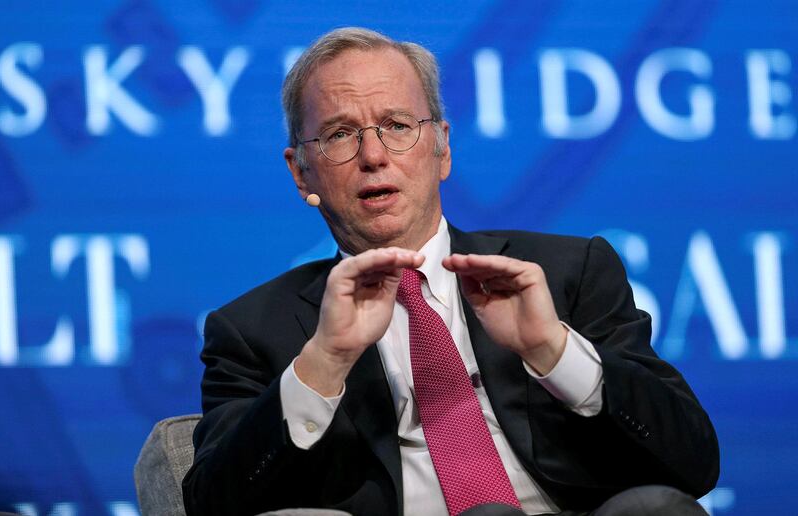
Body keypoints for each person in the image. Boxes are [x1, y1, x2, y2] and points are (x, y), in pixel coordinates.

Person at [182, 27, 719, 516]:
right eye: (341, 134)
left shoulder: (565, 273)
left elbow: (692, 465)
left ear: (442, 149)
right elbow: (211, 502)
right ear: (301, 173)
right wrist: (324, 362)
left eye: (396, 125)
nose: (374, 155)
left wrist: (554, 351)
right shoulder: (253, 330)